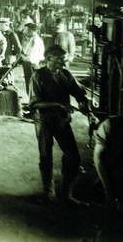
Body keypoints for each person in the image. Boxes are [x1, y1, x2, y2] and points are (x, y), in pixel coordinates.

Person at [29, 44, 90, 205]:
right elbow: (34, 104)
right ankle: (48, 193)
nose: (64, 62)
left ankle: (66, 195)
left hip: (62, 120)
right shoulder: (38, 76)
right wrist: (58, 104)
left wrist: (84, 103)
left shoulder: (65, 74)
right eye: (60, 59)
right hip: (44, 121)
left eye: (64, 59)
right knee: (46, 156)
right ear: (49, 58)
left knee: (73, 157)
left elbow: (78, 93)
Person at [20, 22, 45, 102]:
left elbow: (30, 55)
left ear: (32, 31)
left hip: (31, 64)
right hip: (30, 63)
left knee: (31, 85)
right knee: (30, 84)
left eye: (27, 30)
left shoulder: (35, 41)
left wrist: (22, 57)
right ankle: (31, 101)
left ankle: (33, 102)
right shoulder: (32, 39)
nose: (25, 32)